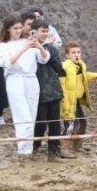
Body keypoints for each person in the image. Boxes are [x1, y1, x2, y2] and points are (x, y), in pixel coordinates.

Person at [0, 14, 50, 161]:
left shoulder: (28, 41)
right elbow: (7, 63)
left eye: (20, 27)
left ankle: (28, 150)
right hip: (15, 80)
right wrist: (23, 48)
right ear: (8, 29)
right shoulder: (3, 46)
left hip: (31, 80)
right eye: (15, 28)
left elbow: (44, 59)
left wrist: (39, 46)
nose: (18, 31)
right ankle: (23, 151)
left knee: (31, 117)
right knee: (22, 117)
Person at [60, 40, 97, 155]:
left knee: (82, 123)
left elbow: (85, 76)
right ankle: (64, 149)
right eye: (73, 52)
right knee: (71, 125)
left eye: (78, 52)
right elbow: (61, 86)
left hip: (76, 101)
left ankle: (77, 146)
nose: (76, 54)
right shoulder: (65, 67)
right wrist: (65, 102)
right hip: (67, 101)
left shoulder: (80, 65)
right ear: (67, 55)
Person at [31, 19, 66, 161]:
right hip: (37, 92)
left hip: (53, 91)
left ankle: (54, 152)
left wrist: (48, 54)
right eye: (42, 31)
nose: (45, 34)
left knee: (55, 124)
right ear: (34, 31)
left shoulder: (51, 48)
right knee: (39, 123)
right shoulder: (28, 48)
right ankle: (33, 148)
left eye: (47, 31)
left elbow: (59, 68)